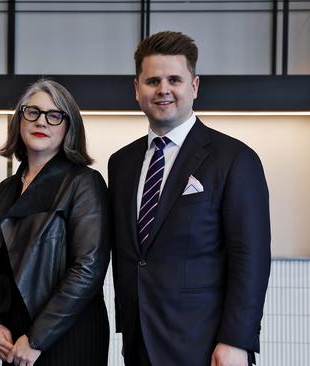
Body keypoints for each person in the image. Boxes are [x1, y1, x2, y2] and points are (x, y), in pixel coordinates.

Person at [108, 31, 271, 366]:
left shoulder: (235, 159)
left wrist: (236, 341)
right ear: (136, 89)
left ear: (194, 86)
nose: (163, 89)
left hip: (206, 345)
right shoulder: (121, 163)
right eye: (152, 80)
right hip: (139, 342)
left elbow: (250, 259)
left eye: (174, 79)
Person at [0, 79, 110, 366]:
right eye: (33, 112)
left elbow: (88, 269)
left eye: (55, 115)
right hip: (14, 337)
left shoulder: (84, 183)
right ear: (19, 120)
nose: (42, 121)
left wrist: (37, 337)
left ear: (69, 127)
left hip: (67, 333)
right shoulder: (5, 189)